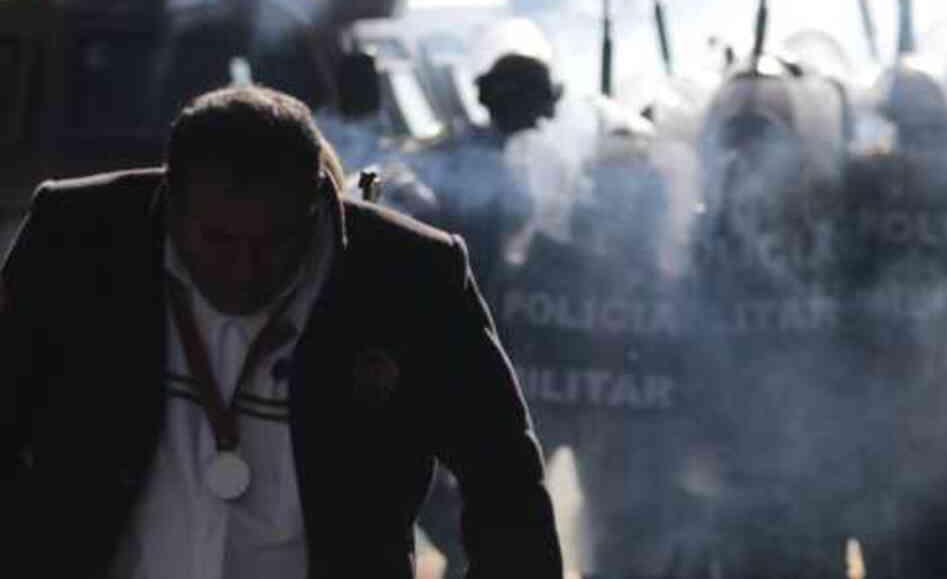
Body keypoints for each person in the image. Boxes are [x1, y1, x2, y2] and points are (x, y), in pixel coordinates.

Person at [0, 84, 562, 579]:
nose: (245, 269)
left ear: (318, 205)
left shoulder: (408, 275)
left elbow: (504, 475)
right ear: (170, 205)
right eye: (218, 241)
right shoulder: (76, 239)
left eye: (274, 244)